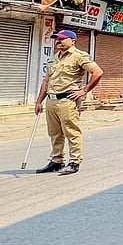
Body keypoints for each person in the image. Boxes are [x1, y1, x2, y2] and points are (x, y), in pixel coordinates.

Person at [33, 30, 103, 176]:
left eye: (62, 39)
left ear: (72, 41)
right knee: (54, 133)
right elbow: (47, 81)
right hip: (51, 100)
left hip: (68, 100)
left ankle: (74, 161)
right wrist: (39, 101)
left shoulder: (79, 56)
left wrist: (84, 91)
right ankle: (57, 161)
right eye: (56, 39)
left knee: (71, 131)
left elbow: (97, 72)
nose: (58, 41)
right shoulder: (54, 58)